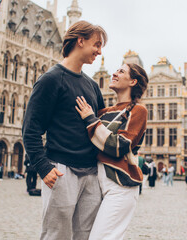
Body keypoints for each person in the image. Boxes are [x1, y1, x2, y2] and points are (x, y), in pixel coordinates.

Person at [22, 20, 108, 240]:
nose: (99, 51)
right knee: (56, 235)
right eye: (96, 44)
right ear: (80, 41)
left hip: (90, 175)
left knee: (86, 236)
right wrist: (43, 167)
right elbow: (31, 129)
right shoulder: (51, 80)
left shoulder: (92, 86)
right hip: (61, 172)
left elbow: (100, 128)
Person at [75, 62, 148, 240]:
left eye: (121, 71)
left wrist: (90, 120)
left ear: (133, 82)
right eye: (116, 70)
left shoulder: (138, 111)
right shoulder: (104, 112)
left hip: (120, 185)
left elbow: (119, 146)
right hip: (95, 182)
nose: (114, 73)